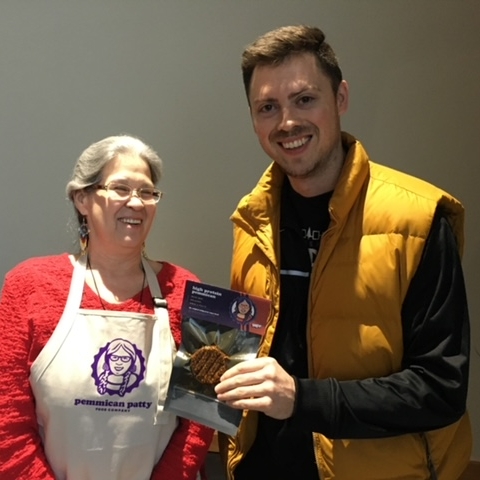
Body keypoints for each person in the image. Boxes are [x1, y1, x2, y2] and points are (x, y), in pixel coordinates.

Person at [214, 25, 472, 480]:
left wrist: (302, 398)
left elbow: (441, 387)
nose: (287, 122)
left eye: (304, 99)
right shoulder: (250, 221)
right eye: (267, 107)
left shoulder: (418, 219)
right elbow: (245, 351)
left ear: (341, 98)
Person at [0, 135, 213, 480]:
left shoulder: (189, 292)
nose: (137, 202)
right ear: (82, 198)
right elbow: (7, 421)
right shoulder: (29, 286)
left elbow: (200, 420)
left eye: (147, 192)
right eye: (121, 188)